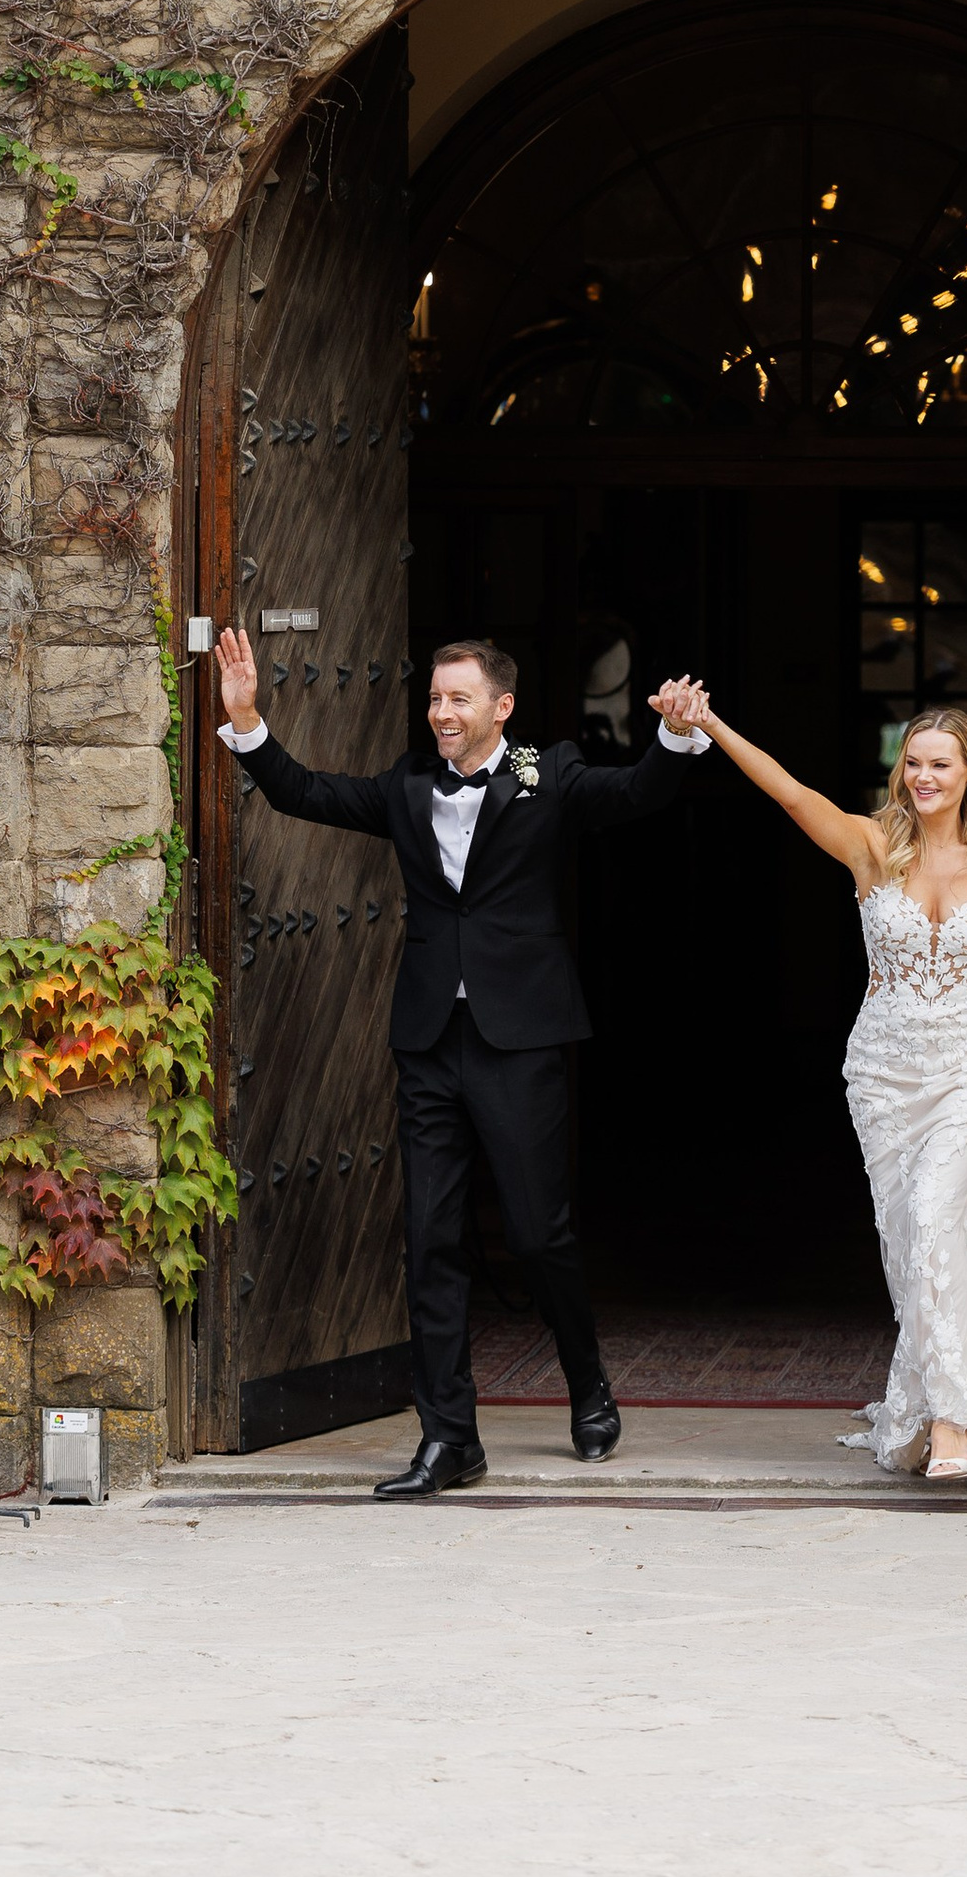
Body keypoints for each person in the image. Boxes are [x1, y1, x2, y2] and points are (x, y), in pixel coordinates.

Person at [216, 629, 712, 1498]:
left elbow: (636, 792)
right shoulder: (408, 785)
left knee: (535, 1230)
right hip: (427, 1043)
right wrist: (249, 719)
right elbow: (306, 793)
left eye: (459, 699)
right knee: (431, 1237)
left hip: (520, 1037)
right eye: (436, 699)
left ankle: (587, 1380)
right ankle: (449, 1437)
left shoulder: (546, 771)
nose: (443, 713)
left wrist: (672, 734)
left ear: (501, 707)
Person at [668, 692, 967, 1482]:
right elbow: (788, 791)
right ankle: (924, 1404)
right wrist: (709, 725)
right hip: (883, 1074)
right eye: (912, 762)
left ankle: (952, 1421)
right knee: (912, 1240)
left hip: (966, 1067)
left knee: (939, 1214)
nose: (922, 776)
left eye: (939, 764)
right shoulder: (871, 845)